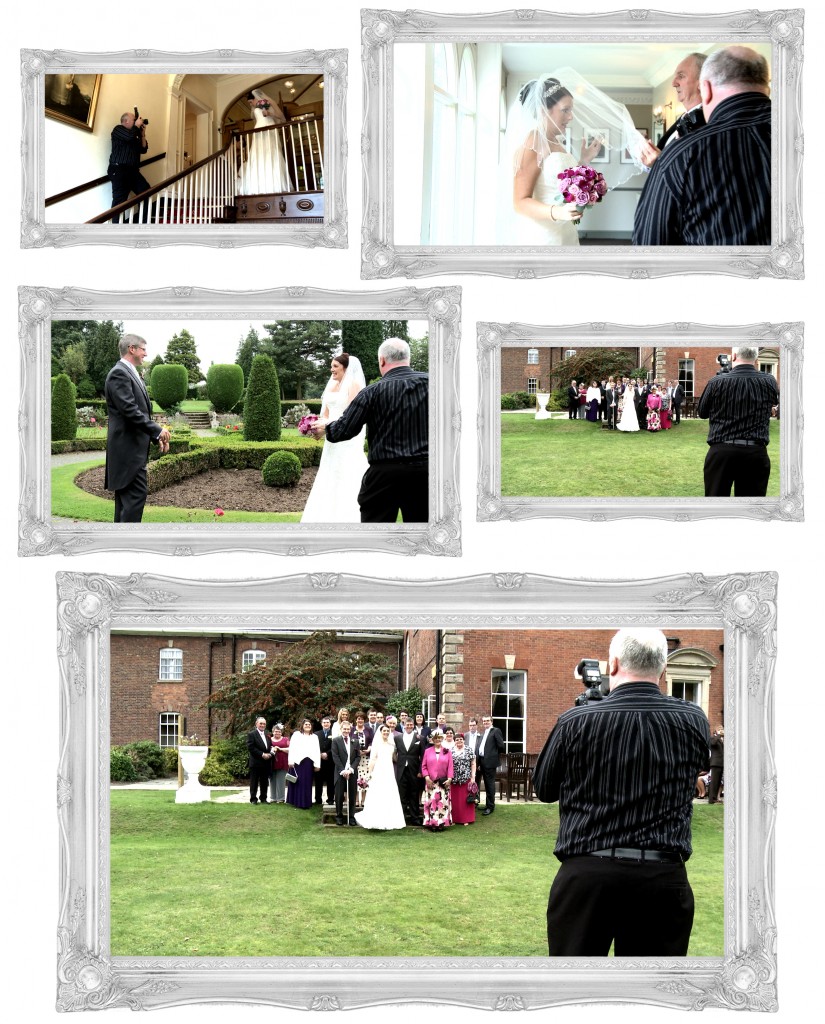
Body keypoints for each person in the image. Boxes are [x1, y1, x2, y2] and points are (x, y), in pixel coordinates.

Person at [533, 627, 711, 957]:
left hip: (588, 876)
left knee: (574, 993)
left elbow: (544, 787)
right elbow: (697, 768)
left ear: (612, 664)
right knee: (652, 995)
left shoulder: (576, 720)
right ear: (664, 669)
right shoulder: (693, 719)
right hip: (662, 877)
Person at [633, 46, 771, 245]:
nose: (674, 83)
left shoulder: (684, 153)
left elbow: (649, 245)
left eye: (681, 75)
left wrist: (663, 164)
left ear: (704, 88)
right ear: (766, 85)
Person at [500, 70, 646, 245]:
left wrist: (584, 161)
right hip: (544, 236)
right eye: (565, 110)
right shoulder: (533, 143)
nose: (571, 117)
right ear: (543, 111)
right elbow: (520, 202)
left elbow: (556, 182)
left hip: (565, 231)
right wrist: (558, 212)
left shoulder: (554, 141)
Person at [312, 339, 428, 523]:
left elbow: (344, 429)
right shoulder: (435, 385)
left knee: (376, 535)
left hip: (383, 475)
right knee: (423, 532)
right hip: (426, 473)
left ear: (382, 360)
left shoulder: (371, 392)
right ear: (409, 358)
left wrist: (326, 428)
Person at [696, 345, 779, 496]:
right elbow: (774, 403)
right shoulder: (769, 381)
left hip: (722, 451)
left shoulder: (716, 382)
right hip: (755, 452)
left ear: (733, 356)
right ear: (756, 358)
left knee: (716, 505)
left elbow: (702, 412)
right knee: (752, 509)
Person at [104, 335, 170, 522]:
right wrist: (158, 431)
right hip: (128, 455)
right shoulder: (119, 373)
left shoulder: (130, 372)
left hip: (132, 453)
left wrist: (154, 437)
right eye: (143, 349)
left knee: (126, 506)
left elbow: (139, 413)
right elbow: (130, 411)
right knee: (133, 503)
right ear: (131, 349)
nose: (145, 353)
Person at [301, 354, 369, 523]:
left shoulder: (354, 386)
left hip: (347, 438)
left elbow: (351, 416)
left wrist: (328, 427)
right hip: (331, 439)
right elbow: (325, 414)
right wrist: (315, 427)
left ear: (345, 368)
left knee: (346, 474)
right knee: (329, 473)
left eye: (335, 366)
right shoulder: (331, 387)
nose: (332, 370)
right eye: (331, 366)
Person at [639, 53, 708, 165]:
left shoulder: (707, 121)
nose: (674, 83)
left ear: (701, 81)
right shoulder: (683, 118)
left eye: (681, 76)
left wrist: (660, 162)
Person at [236, 89, 292, 196]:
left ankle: (273, 185)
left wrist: (269, 113)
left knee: (270, 155)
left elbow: (282, 117)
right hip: (258, 132)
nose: (251, 104)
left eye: (250, 101)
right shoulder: (255, 108)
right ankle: (259, 186)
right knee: (259, 156)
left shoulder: (267, 102)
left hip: (268, 129)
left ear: (256, 98)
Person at [355, 724, 406, 830]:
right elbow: (373, 759)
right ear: (381, 732)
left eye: (388, 731)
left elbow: (394, 757)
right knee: (378, 792)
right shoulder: (377, 744)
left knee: (389, 792)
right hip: (379, 769)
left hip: (389, 770)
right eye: (384, 731)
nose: (386, 732)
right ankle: (376, 818)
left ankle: (390, 818)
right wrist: (369, 773)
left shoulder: (392, 744)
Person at [108, 111, 150, 221]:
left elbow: (143, 149)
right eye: (134, 120)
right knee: (119, 203)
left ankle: (143, 223)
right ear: (125, 121)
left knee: (146, 192)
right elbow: (128, 136)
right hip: (119, 170)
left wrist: (142, 134)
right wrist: (136, 126)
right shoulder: (118, 129)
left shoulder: (134, 134)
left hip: (133, 171)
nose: (137, 121)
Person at [421, 730, 454, 831]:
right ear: (433, 740)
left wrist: (449, 779)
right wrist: (426, 777)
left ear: (442, 739)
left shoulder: (447, 751)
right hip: (431, 782)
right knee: (432, 803)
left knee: (442, 803)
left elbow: (450, 767)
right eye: (436, 738)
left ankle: (441, 824)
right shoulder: (427, 751)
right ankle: (432, 823)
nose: (438, 740)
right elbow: (424, 766)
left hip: (443, 782)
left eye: (439, 738)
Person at [394, 718, 425, 824]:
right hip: (401, 770)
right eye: (407, 724)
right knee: (401, 795)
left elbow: (423, 756)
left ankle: (415, 818)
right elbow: (394, 753)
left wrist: (421, 770)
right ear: (404, 725)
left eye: (411, 724)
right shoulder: (397, 738)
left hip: (414, 771)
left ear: (413, 725)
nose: (409, 726)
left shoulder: (420, 738)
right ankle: (401, 818)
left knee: (414, 795)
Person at [286, 719, 321, 810]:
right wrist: (291, 761)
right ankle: (297, 802)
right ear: (302, 725)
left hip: (309, 762)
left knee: (307, 783)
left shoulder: (314, 737)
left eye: (309, 724)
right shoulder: (296, 735)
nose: (308, 726)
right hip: (298, 762)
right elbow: (292, 748)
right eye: (306, 724)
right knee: (298, 782)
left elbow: (317, 750)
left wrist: (317, 764)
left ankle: (306, 803)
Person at [331, 721, 360, 826]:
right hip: (340, 772)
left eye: (348, 729)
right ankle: (339, 816)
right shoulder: (336, 741)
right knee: (339, 795)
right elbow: (335, 756)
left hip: (352, 772)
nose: (346, 731)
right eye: (344, 729)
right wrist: (343, 770)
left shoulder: (355, 741)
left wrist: (351, 769)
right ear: (341, 729)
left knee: (352, 795)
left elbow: (358, 757)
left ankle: (351, 817)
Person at [477, 715, 506, 816]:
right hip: (482, 761)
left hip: (490, 762)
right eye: (484, 721)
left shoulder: (495, 731)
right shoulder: (484, 732)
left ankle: (490, 806)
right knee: (485, 784)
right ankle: (487, 804)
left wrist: (493, 754)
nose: (485, 722)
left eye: (487, 721)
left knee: (490, 785)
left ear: (491, 721)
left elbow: (501, 745)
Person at [450, 733, 477, 826]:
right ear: (454, 741)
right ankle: (454, 819)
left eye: (461, 739)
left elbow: (473, 763)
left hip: (466, 778)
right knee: (454, 800)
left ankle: (466, 819)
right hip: (454, 779)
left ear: (464, 740)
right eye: (457, 739)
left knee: (465, 800)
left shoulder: (468, 749)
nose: (459, 741)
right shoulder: (451, 750)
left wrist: (473, 776)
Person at [246, 716, 273, 804]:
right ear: (256, 724)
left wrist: (270, 753)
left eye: (264, 724)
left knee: (264, 782)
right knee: (254, 782)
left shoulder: (267, 735)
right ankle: (253, 799)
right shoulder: (252, 734)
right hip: (256, 763)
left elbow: (269, 746)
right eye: (261, 723)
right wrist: (262, 754)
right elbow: (251, 747)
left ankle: (263, 798)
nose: (262, 725)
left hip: (266, 763)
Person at [314, 716, 334, 805]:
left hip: (330, 761)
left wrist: (327, 753)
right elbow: (313, 746)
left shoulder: (334, 733)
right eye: (324, 722)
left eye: (327, 722)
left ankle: (330, 799)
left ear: (330, 724)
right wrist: (320, 753)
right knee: (318, 781)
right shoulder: (316, 734)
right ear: (321, 724)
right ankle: (318, 799)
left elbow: (335, 746)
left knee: (330, 782)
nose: (326, 724)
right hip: (319, 761)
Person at [268, 723, 290, 803]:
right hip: (271, 763)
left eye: (279, 731)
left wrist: (280, 749)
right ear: (273, 731)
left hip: (282, 763)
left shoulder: (285, 739)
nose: (277, 733)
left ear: (281, 732)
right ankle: (273, 798)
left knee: (281, 780)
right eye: (276, 731)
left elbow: (290, 749)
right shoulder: (269, 739)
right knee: (272, 780)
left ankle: (281, 798)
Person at [708, 726, 725, 804]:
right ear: (716, 731)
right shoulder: (713, 738)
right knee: (714, 781)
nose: (722, 730)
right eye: (720, 729)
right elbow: (713, 744)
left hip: (721, 763)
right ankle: (711, 799)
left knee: (718, 782)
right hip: (715, 763)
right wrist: (718, 735)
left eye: (722, 729)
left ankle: (715, 798)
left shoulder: (721, 740)